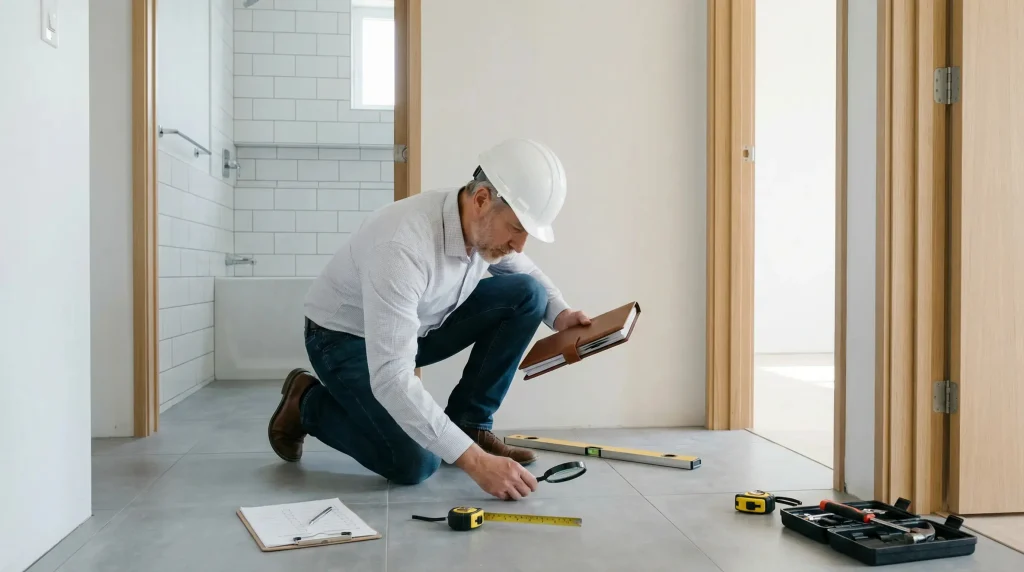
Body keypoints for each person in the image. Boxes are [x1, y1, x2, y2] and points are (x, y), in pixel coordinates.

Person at [267, 139, 590, 501]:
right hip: (343, 340)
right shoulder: (401, 245)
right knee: (415, 462)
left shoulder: (481, 225)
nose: (519, 245)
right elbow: (391, 376)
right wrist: (475, 463)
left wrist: (561, 314)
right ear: (482, 199)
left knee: (528, 294)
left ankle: (471, 424)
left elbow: (523, 269)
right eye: (516, 229)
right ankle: (306, 402)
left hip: (417, 326)